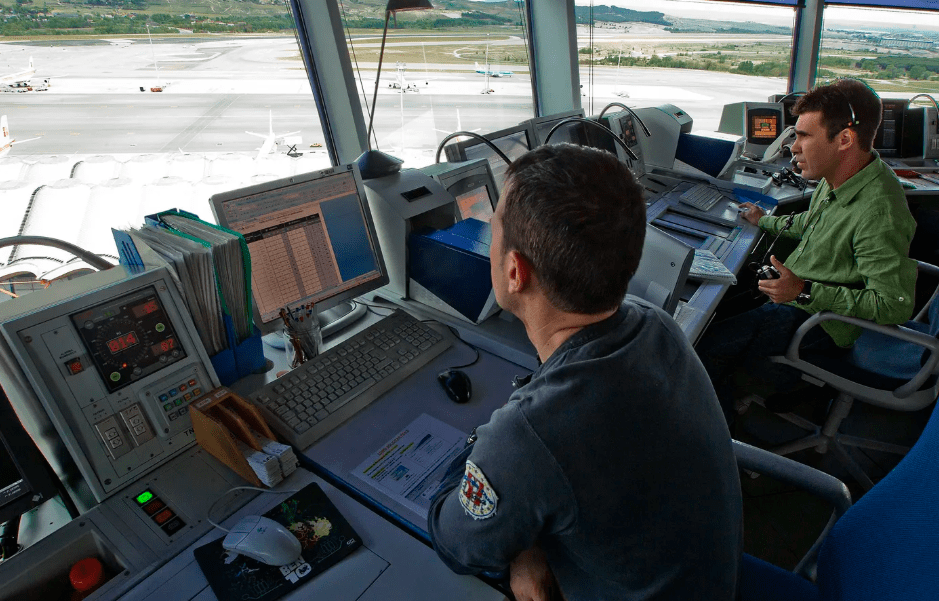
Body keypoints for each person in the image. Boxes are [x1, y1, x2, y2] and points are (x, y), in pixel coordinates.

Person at [427, 144, 742, 601]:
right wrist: (526, 548)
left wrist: (512, 524)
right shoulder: (655, 325)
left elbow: (458, 542)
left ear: (515, 271)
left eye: (494, 229)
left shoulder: (531, 437)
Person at [696, 78, 917, 421]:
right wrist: (763, 220)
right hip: (801, 296)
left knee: (704, 348)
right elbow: (812, 223)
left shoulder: (879, 211)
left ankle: (719, 445)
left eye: (803, 136)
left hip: (821, 323)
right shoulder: (843, 177)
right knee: (720, 308)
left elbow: (892, 306)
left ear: (844, 139)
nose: (792, 147)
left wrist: (803, 292)